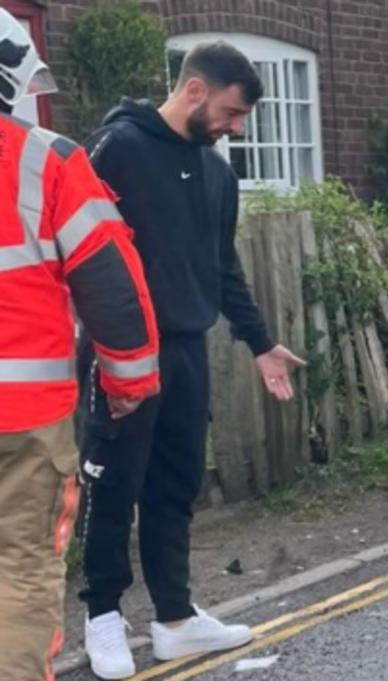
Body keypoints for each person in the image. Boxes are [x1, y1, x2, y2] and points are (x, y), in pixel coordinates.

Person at [77, 41, 305, 679]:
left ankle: (175, 620)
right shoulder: (118, 150)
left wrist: (260, 344)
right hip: (120, 354)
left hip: (185, 351)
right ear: (195, 90)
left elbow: (223, 268)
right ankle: (102, 618)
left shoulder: (218, 175)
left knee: (175, 487)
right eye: (232, 113)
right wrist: (102, 344)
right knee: (113, 486)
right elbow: (78, 245)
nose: (236, 129)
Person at [0, 10, 161, 681]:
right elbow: (112, 288)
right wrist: (128, 384)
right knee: (18, 565)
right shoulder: (43, 158)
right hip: (23, 417)